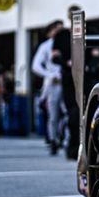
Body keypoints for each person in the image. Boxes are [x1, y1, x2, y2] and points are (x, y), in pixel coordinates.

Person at [52, 5, 82, 160]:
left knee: (83, 113)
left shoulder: (87, 32)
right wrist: (67, 63)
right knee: (72, 113)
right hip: (68, 78)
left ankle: (84, 147)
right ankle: (72, 147)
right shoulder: (62, 35)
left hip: (84, 77)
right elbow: (54, 56)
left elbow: (96, 55)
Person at [32, 20, 65, 154]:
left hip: (68, 82)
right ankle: (53, 140)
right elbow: (35, 66)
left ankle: (65, 138)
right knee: (53, 114)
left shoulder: (68, 44)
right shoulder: (46, 46)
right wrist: (49, 75)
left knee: (69, 113)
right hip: (54, 84)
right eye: (56, 30)